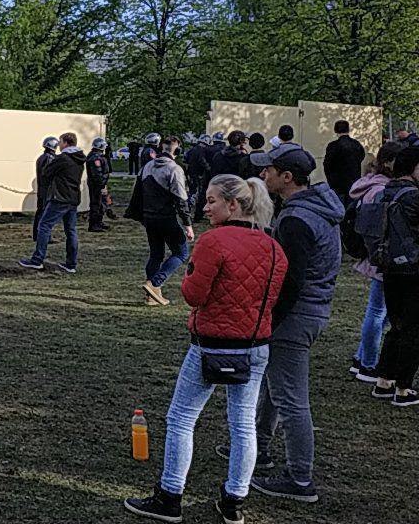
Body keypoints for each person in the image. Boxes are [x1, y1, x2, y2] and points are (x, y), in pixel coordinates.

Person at [124, 174, 287, 524]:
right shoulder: (273, 246)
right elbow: (276, 295)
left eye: (212, 200)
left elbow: (193, 295)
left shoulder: (213, 242)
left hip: (211, 344)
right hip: (255, 346)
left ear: (233, 204)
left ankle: (170, 497)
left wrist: (189, 280)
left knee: (182, 418)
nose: (204, 206)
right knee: (243, 424)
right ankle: (234, 500)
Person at [245, 143, 344, 503]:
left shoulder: (297, 219)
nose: (262, 175)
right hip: (312, 311)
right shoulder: (316, 210)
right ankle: (260, 448)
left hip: (295, 317)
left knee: (291, 400)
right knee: (275, 387)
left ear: (287, 178)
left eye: (268, 171)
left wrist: (266, 320)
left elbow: (290, 280)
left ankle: (300, 479)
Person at [347, 142, 406, 382]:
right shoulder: (381, 190)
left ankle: (362, 357)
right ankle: (368, 364)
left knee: (381, 312)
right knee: (378, 312)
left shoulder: (370, 185)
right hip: (383, 257)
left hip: (377, 257)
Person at [370, 144, 419, 407]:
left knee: (396, 325)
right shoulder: (413, 196)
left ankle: (384, 379)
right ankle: (404, 388)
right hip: (413, 268)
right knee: (413, 329)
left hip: (389, 267)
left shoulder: (383, 192)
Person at [139, 136, 195, 306]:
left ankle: (152, 296)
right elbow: (180, 199)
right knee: (181, 252)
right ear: (177, 151)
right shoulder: (175, 169)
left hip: (149, 217)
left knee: (156, 254)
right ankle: (155, 283)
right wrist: (188, 225)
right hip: (166, 217)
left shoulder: (147, 166)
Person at [20, 132, 85, 273]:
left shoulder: (63, 158)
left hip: (59, 197)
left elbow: (46, 172)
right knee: (71, 230)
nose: (59, 145)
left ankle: (37, 260)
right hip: (73, 198)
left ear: (66, 143)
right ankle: (71, 264)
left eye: (60, 142)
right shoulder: (79, 159)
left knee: (44, 225)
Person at [323, 119, 367, 204]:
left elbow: (327, 164)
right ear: (348, 129)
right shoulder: (356, 144)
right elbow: (362, 156)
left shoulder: (333, 146)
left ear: (335, 130)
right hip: (354, 181)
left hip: (337, 184)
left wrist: (330, 179)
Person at [33, 137, 59, 241]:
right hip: (48, 189)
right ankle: (44, 236)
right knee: (45, 213)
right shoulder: (50, 158)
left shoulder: (41, 158)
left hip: (43, 189)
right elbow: (49, 174)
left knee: (41, 212)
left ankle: (38, 235)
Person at [86, 137, 111, 232]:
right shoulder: (96, 158)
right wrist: (102, 185)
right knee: (96, 204)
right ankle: (94, 224)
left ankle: (99, 222)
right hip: (97, 185)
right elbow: (97, 173)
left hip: (98, 184)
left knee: (101, 204)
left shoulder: (96, 156)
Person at [184, 135, 212, 223]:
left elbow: (186, 159)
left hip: (190, 174)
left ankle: (187, 210)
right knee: (195, 193)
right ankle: (187, 211)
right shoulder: (201, 150)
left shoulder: (192, 149)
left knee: (192, 192)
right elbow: (202, 161)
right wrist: (210, 169)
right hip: (198, 175)